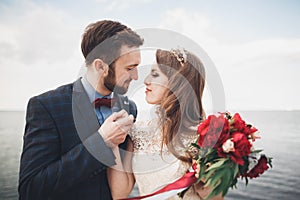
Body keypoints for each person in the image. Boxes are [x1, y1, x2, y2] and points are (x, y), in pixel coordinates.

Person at [18, 20, 144, 200]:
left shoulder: (130, 107)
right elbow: (31, 190)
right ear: (101, 66)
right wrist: (101, 142)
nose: (136, 76)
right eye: (130, 68)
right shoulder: (46, 106)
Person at [107, 48, 224, 199]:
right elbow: (119, 194)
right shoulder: (138, 132)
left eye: (155, 74)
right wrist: (113, 145)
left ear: (178, 82)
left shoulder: (204, 136)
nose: (145, 80)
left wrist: (207, 186)